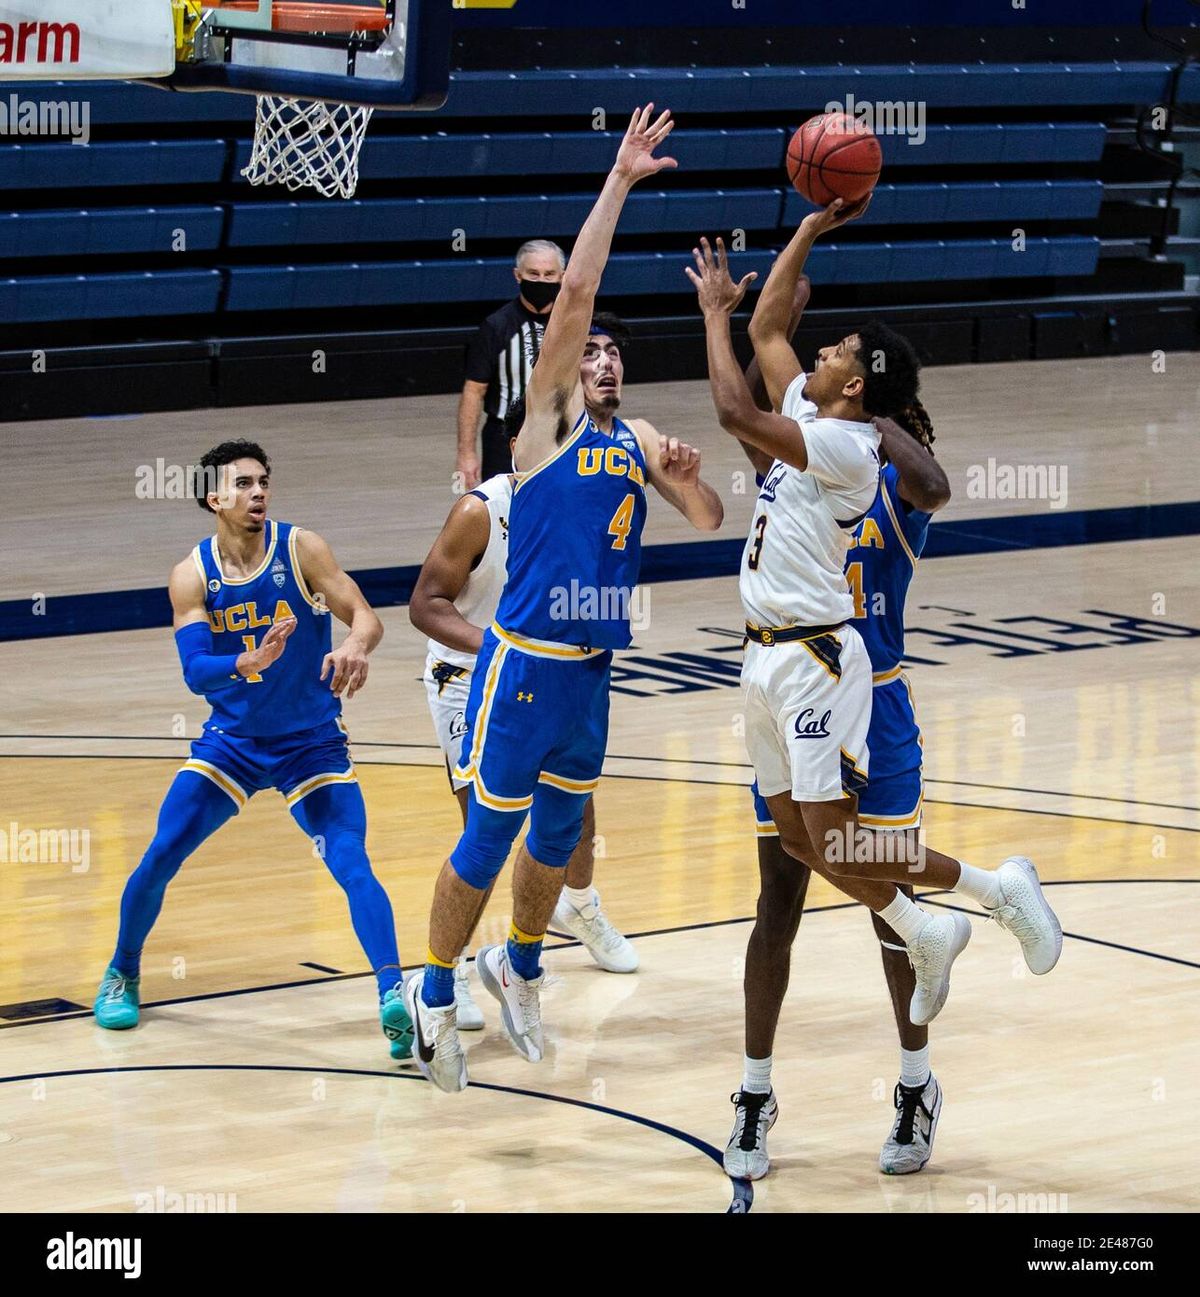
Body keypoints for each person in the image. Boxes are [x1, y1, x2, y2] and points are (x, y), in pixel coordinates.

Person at [687, 224, 1062, 1181]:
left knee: (873, 892)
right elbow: (773, 339)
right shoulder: (810, 433)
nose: (822, 355)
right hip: (787, 667)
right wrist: (812, 221)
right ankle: (757, 1090)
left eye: (845, 356)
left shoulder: (876, 464)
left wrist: (878, 407)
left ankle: (912, 1079)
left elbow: (931, 479)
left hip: (862, 687)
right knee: (786, 890)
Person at [405, 105, 725, 1094]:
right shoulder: (540, 434)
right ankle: (431, 993)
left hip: (592, 673)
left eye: (614, 355)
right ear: (559, 369)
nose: (604, 360)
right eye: (589, 353)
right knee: (489, 833)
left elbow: (712, 518)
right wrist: (620, 181)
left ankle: (523, 964)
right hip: (522, 664)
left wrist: (692, 473)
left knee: (559, 839)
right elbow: (578, 286)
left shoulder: (636, 441)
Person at [92, 440, 413, 1062]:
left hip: (310, 743)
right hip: (233, 744)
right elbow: (195, 673)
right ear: (214, 498)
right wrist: (249, 660)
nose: (258, 492)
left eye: (263, 482)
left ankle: (393, 994)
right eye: (243, 484)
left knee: (351, 860)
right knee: (161, 854)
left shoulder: (302, 548)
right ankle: (122, 969)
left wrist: (355, 645)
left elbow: (366, 615)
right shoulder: (191, 574)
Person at [456, 239, 567, 489]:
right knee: (505, 515)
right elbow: (474, 390)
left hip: (563, 435)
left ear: (563, 276)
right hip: (504, 439)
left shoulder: (574, 324)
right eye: (533, 274)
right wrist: (466, 454)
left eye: (549, 274)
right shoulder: (496, 327)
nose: (541, 281)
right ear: (518, 276)